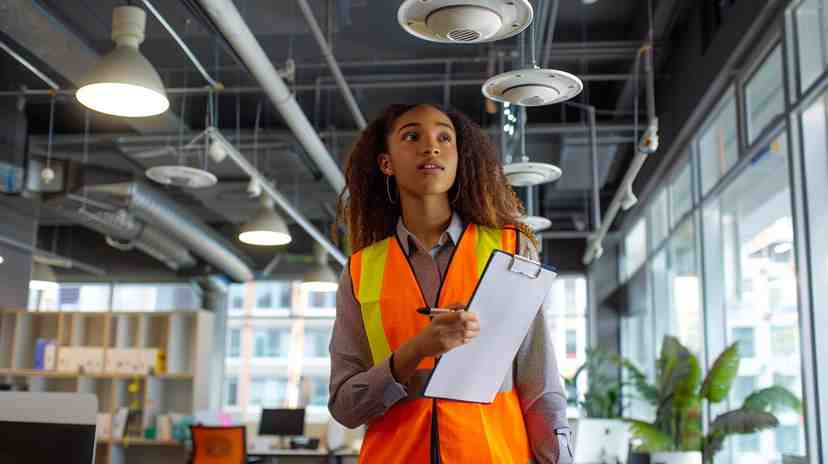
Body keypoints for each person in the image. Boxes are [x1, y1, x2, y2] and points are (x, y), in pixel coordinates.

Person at [328, 103, 572, 464]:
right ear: (387, 163)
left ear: (458, 158)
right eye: (412, 136)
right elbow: (346, 407)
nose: (432, 146)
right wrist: (413, 352)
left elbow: (540, 384)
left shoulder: (509, 248)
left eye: (445, 137)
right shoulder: (361, 271)